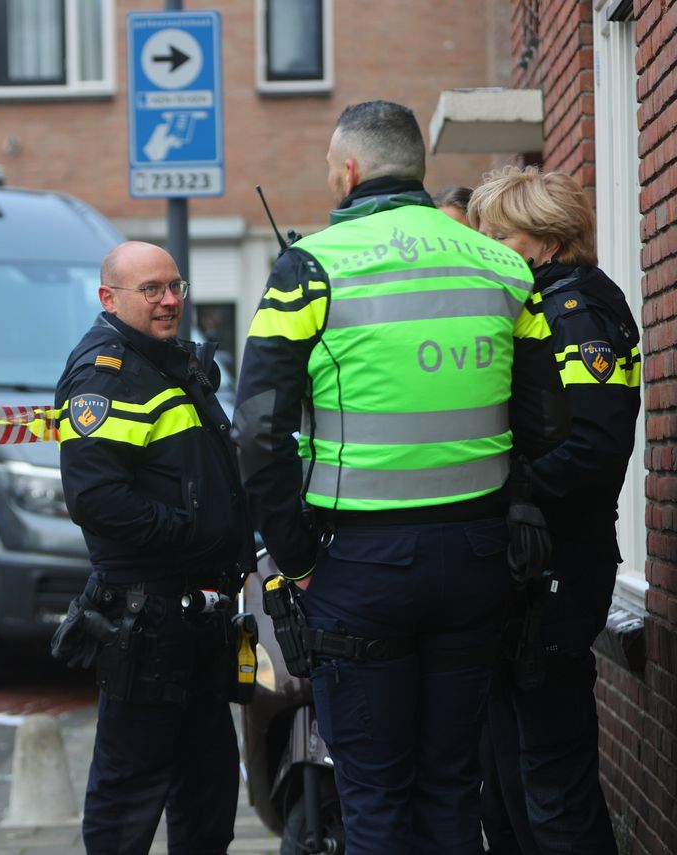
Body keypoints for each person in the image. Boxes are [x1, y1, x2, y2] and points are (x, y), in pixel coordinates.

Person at [232, 100, 539, 855]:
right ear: (418, 166)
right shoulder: (503, 264)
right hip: (477, 560)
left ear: (349, 170)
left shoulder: (311, 269)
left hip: (359, 567)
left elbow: (259, 431)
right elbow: (547, 420)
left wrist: (296, 555)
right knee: (452, 789)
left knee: (373, 797)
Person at [53, 240, 249, 854]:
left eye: (174, 287)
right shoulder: (105, 375)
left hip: (196, 615)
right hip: (147, 616)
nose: (169, 301)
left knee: (208, 789)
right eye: (152, 290)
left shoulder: (165, 362)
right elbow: (96, 499)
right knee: (130, 793)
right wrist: (194, 533)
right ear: (109, 298)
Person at [469, 166, 640, 855]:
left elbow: (596, 443)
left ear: (547, 237)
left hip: (559, 566)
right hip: (529, 566)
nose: (488, 249)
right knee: (509, 772)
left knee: (552, 779)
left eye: (500, 236)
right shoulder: (535, 302)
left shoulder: (577, 311)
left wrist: (513, 497)